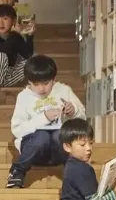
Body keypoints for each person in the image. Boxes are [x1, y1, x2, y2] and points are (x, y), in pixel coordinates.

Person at [7, 54, 85, 188]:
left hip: (60, 149)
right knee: (42, 136)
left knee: (58, 135)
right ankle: (17, 171)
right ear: (29, 82)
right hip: (34, 151)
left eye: (46, 83)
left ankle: (73, 175)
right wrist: (44, 118)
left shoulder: (64, 90)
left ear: (54, 79)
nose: (41, 89)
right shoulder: (24, 97)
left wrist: (74, 111)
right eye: (36, 84)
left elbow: (83, 118)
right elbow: (17, 129)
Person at [0, 4, 33, 106]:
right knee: (1, 56)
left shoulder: (16, 37)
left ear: (13, 21)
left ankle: (35, 91)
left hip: (8, 76)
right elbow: (2, 51)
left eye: (5, 18)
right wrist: (14, 34)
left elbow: (27, 55)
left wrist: (30, 36)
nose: (1, 22)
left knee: (31, 62)